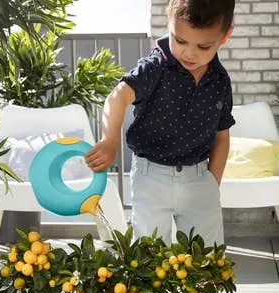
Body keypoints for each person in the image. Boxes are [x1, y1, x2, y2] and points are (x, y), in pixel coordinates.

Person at [85, 0, 236, 246]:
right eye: (180, 40)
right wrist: (110, 139)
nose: (189, 53)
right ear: (168, 22)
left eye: (203, 46)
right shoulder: (155, 68)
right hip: (150, 177)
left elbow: (222, 135)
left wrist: (211, 183)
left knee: (206, 257)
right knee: (150, 256)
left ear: (225, 36)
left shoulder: (220, 80)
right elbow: (118, 96)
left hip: (199, 178)